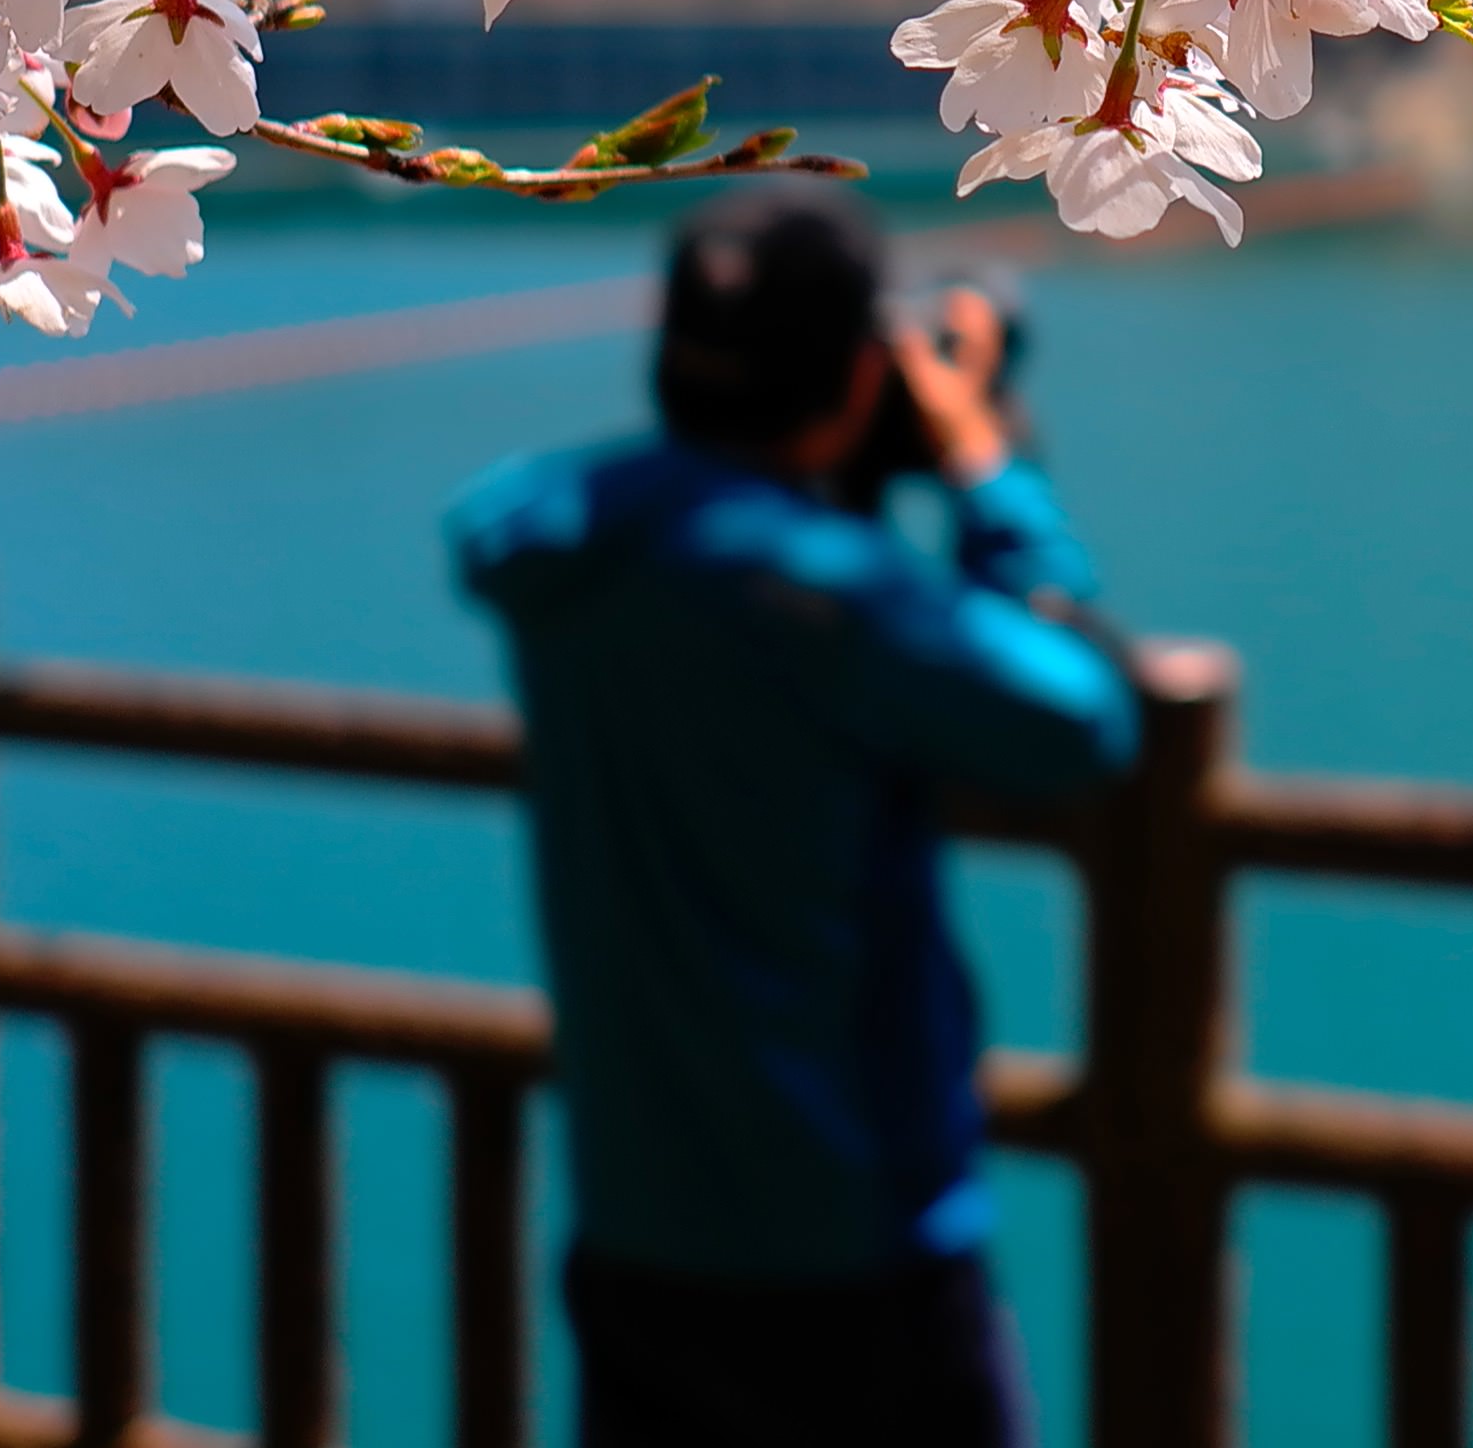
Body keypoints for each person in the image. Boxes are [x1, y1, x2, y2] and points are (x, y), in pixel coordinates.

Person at [446, 184, 1141, 1448]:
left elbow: (500, 510)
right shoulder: (831, 594)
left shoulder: (571, 551)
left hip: (639, 1227)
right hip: (854, 1245)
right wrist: (988, 474)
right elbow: (1081, 717)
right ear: (861, 375)